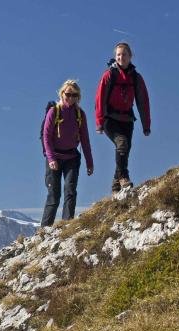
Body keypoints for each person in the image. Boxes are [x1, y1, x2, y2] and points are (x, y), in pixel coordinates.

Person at [94, 42, 151, 192]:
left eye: (124, 54)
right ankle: (123, 177)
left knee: (125, 151)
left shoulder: (136, 78)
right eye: (118, 55)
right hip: (110, 119)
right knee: (122, 144)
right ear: (115, 57)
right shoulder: (109, 75)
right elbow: (99, 99)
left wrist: (146, 125)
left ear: (130, 57)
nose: (121, 57)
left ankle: (115, 185)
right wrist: (99, 122)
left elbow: (143, 102)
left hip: (127, 120)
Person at [41, 79, 94, 227]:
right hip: (55, 157)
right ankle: (44, 231)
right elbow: (46, 136)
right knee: (54, 195)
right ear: (62, 93)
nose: (71, 98)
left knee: (70, 190)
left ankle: (66, 226)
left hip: (72, 157)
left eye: (74, 95)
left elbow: (85, 140)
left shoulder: (80, 114)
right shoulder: (54, 111)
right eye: (68, 94)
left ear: (78, 97)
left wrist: (89, 162)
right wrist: (51, 158)